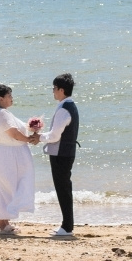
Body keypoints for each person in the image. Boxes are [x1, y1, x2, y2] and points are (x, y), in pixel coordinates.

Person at [0, 83, 39, 236]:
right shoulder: (2, 113)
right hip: (8, 154)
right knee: (7, 186)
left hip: (12, 154)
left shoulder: (4, 113)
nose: (11, 98)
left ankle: (4, 223)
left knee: (10, 186)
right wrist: (29, 140)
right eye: (9, 96)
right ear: (1, 99)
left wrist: (33, 128)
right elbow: (13, 133)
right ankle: (2, 224)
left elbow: (18, 129)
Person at [39, 72, 79, 238]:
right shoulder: (69, 105)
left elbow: (55, 136)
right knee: (64, 188)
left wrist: (38, 137)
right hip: (65, 153)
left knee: (63, 189)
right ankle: (66, 225)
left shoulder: (64, 109)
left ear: (61, 90)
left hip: (61, 154)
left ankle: (67, 226)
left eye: (54, 88)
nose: (53, 91)